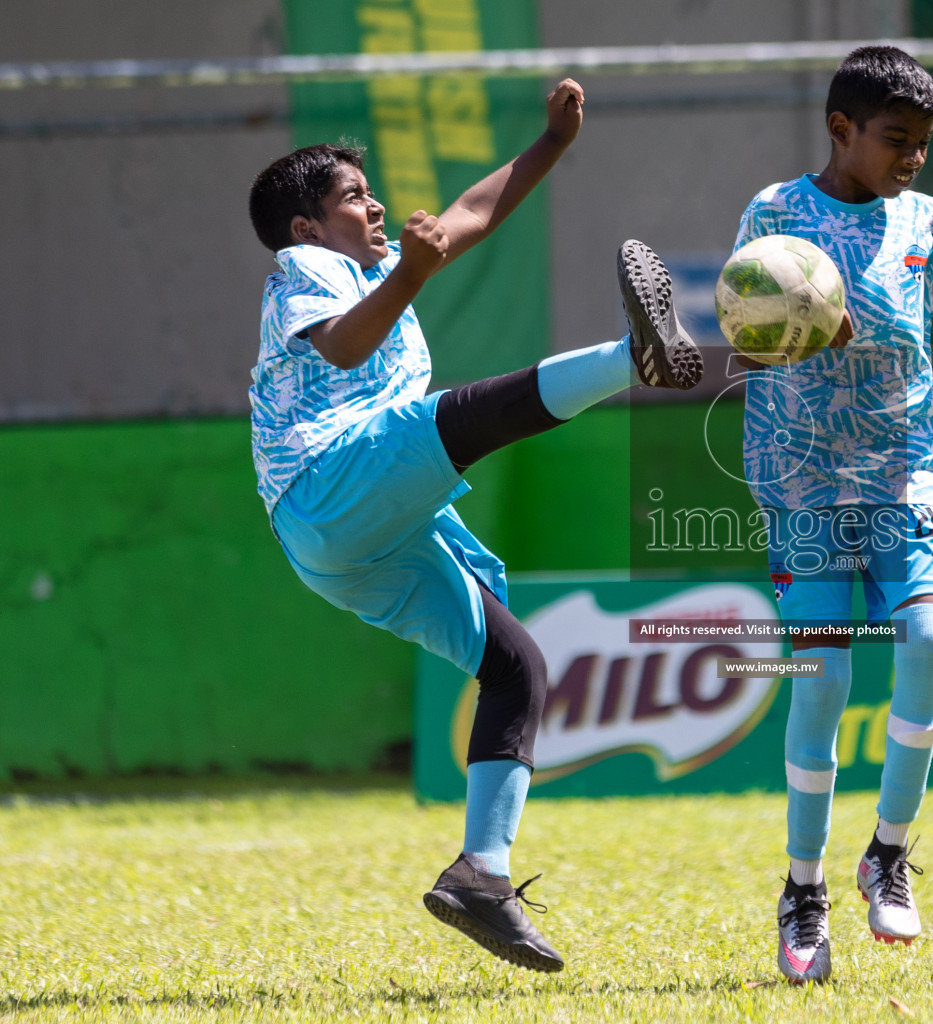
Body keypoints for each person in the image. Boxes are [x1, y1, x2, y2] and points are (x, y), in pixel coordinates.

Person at [245, 78, 700, 974]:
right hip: (325, 483)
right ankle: (630, 357)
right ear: (307, 226)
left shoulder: (376, 264)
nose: (375, 204)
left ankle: (480, 878)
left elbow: (472, 215)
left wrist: (551, 145)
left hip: (352, 544)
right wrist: (412, 273)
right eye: (351, 197)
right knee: (459, 419)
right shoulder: (306, 269)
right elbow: (340, 346)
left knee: (517, 665)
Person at [729, 46, 933, 984]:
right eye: (896, 139)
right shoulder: (777, 215)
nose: (912, 158)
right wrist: (805, 325)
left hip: (904, 473)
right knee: (820, 682)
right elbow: (748, 339)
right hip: (803, 480)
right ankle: (804, 890)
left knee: (929, 644)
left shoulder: (928, 221)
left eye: (925, 144)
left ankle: (888, 854)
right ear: (841, 128)